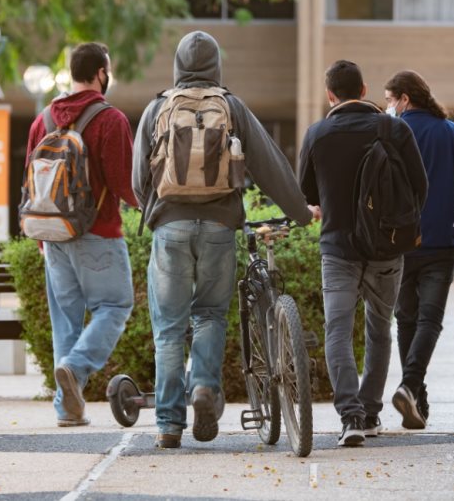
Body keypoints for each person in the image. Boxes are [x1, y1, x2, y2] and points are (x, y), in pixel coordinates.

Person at [133, 30, 312, 450]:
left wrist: (159, 211)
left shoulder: (158, 107)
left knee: (169, 329)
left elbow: (139, 179)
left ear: (177, 65)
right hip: (219, 226)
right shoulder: (231, 106)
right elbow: (268, 164)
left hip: (170, 227)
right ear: (216, 66)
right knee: (211, 314)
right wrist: (301, 212)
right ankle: (204, 389)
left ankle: (168, 425)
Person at [298, 60, 427, 446]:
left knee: (337, 330)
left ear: (330, 95)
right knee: (378, 328)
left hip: (338, 248)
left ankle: (350, 417)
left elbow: (307, 194)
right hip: (387, 249)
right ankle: (371, 413)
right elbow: (419, 187)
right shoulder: (394, 128)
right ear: (365, 89)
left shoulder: (318, 134)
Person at [25, 42, 138, 427]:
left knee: (66, 321)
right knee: (116, 305)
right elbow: (125, 184)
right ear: (101, 73)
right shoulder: (111, 119)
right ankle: (76, 367)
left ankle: (67, 408)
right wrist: (152, 206)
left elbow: (30, 184)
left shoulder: (43, 119)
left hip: (53, 235)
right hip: (98, 232)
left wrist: (42, 239)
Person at [383, 70, 454, 430]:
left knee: (405, 318)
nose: (389, 106)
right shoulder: (452, 133)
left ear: (406, 99)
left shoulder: (391, 134)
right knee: (429, 319)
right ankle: (412, 389)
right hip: (442, 242)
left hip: (400, 243)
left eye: (391, 99)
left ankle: (415, 395)